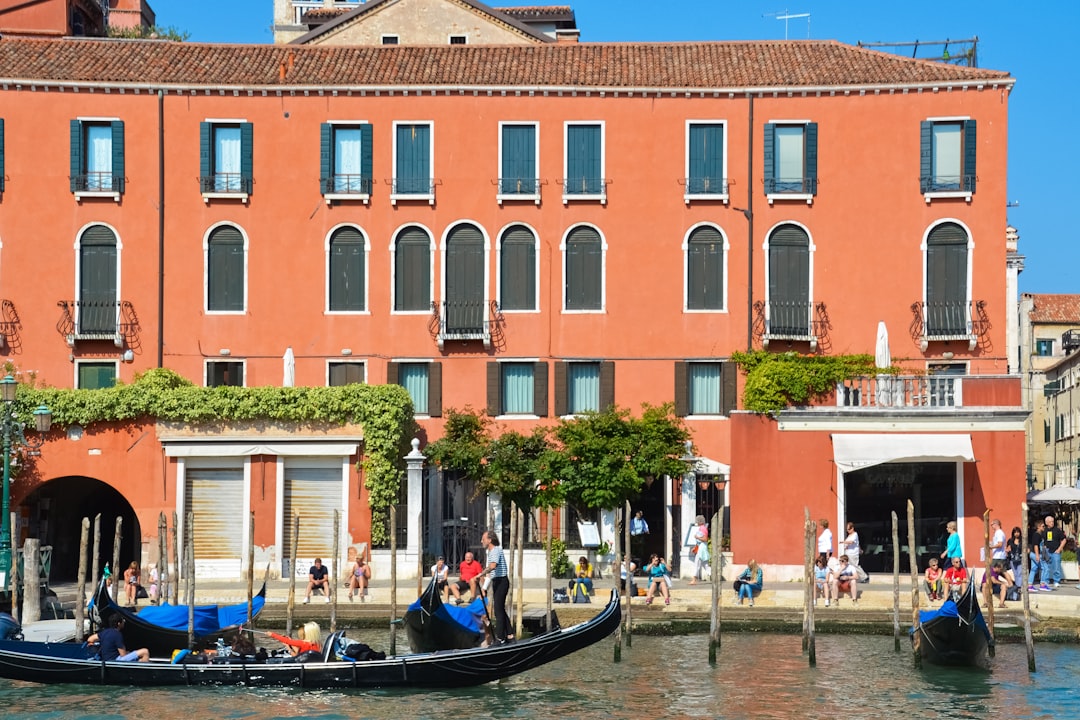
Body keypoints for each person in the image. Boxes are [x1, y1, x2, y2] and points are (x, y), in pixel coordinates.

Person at [477, 530, 511, 643]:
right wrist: (484, 588)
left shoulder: (496, 550)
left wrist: (479, 574)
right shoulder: (490, 552)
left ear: (490, 540)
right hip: (497, 582)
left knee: (497, 610)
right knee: (500, 609)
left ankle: (500, 638)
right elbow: (489, 574)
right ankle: (510, 635)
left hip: (502, 582)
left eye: (483, 538)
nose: (481, 541)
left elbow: (492, 566)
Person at [1044, 514, 1067, 590]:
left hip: (1055, 551)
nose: (1052, 523)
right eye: (1050, 522)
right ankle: (1045, 581)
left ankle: (1056, 581)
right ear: (1046, 522)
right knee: (1046, 567)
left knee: (1056, 566)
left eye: (1053, 521)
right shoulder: (1045, 530)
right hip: (1047, 550)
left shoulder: (1057, 530)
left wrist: (1060, 549)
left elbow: (1064, 539)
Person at [690, 515, 710, 585]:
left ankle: (694, 580)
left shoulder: (702, 529)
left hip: (701, 549)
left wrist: (697, 537)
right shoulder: (703, 528)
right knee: (705, 565)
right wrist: (695, 547)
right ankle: (714, 576)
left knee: (697, 564)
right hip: (701, 547)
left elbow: (705, 539)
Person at [1029, 519, 1048, 592]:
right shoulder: (1037, 535)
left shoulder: (1040, 534)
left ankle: (1030, 585)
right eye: (1043, 526)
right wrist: (1037, 555)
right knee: (1045, 568)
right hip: (1036, 554)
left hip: (1033, 554)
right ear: (1039, 527)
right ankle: (1043, 584)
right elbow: (1036, 545)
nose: (1044, 527)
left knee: (1034, 569)